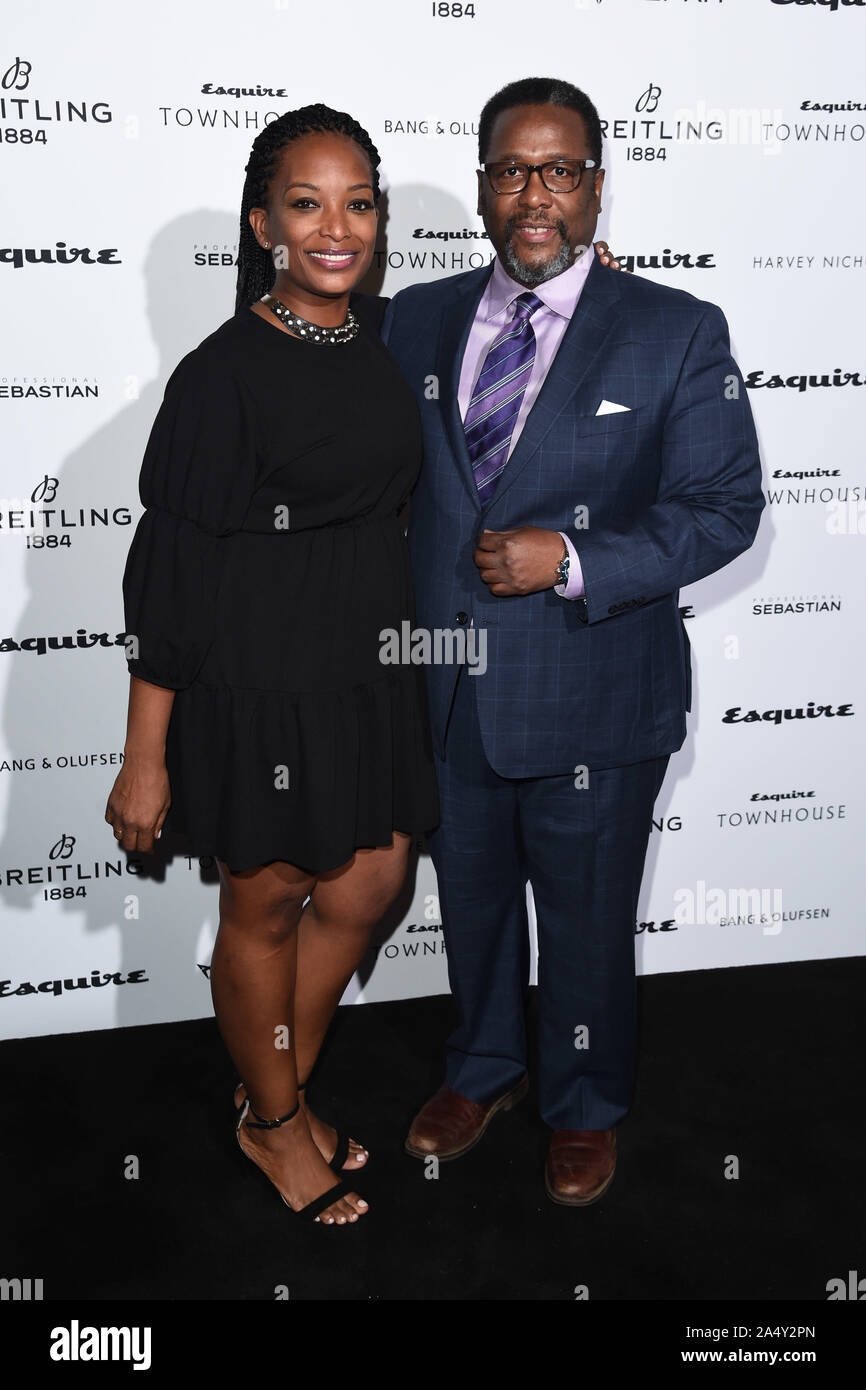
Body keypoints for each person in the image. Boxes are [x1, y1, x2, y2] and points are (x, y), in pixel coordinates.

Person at [381, 77, 765, 1205]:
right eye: (510, 170)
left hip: (596, 691)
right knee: (477, 902)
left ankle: (584, 1100)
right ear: (483, 184)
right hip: (449, 686)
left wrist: (578, 559)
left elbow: (723, 508)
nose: (532, 195)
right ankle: (484, 1067)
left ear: (595, 184)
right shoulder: (417, 318)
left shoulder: (677, 331)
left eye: (557, 171)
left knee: (589, 916)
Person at [105, 105, 442, 1227]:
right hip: (259, 684)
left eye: (356, 202)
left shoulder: (387, 337)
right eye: (306, 204)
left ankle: (269, 1094)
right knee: (268, 902)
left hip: (370, 670)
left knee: (370, 884)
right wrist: (144, 755)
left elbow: (505, 323)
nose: (335, 226)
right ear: (264, 225)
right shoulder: (220, 374)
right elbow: (172, 567)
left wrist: (589, 289)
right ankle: (277, 1118)